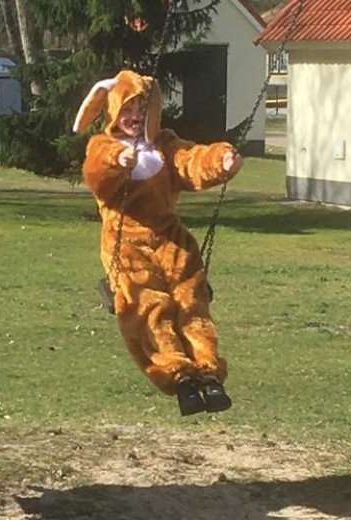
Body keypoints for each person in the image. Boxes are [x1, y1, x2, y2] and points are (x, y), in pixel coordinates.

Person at [73, 70, 243, 416]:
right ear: (114, 113)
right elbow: (95, 173)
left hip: (171, 238)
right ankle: (177, 375)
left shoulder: (163, 144)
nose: (134, 117)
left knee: (191, 303)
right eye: (127, 110)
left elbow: (191, 160)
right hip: (128, 245)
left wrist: (221, 160)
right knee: (150, 309)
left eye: (141, 109)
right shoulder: (105, 145)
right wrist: (117, 162)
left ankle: (208, 372)